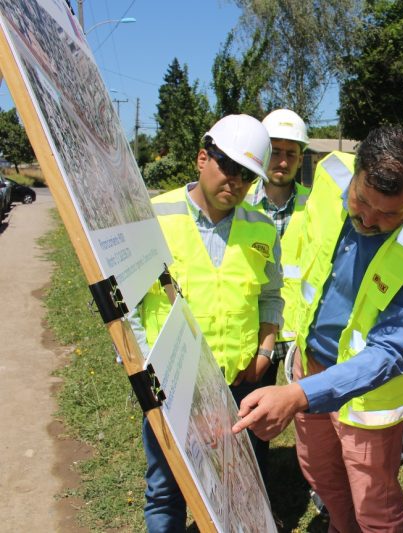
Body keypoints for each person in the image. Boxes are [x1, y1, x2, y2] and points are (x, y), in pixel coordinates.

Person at [232, 126, 403, 532]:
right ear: (356, 173)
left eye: (390, 214)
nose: (368, 220)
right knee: (320, 474)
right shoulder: (331, 177)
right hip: (310, 364)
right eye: (361, 200)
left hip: (370, 395)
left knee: (374, 502)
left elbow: (388, 352)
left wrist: (299, 394)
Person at [131, 114, 283, 532]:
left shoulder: (262, 229)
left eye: (247, 175)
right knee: (167, 489)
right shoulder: (154, 217)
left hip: (238, 386)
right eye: (228, 166)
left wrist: (265, 352)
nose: (235, 182)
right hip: (171, 386)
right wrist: (145, 371)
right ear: (203, 158)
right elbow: (130, 306)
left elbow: (271, 296)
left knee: (234, 485)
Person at [246, 108, 311, 383]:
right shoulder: (239, 205)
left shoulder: (316, 205)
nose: (283, 162)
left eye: (291, 154)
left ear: (300, 159)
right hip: (255, 330)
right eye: (275, 152)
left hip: (302, 333)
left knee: (307, 409)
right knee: (251, 405)